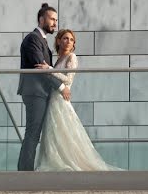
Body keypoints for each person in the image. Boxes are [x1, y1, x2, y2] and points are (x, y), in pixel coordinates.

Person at [35, 29, 121, 171]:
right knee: (54, 133)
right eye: (65, 38)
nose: (68, 41)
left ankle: (68, 161)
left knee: (65, 131)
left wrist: (49, 69)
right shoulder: (59, 59)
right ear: (58, 41)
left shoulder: (72, 57)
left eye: (71, 40)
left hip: (61, 99)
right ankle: (54, 160)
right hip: (53, 99)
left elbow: (68, 79)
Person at [17, 3, 70, 171]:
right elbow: (40, 69)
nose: (55, 23)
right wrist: (61, 87)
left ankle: (25, 170)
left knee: (34, 133)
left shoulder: (42, 41)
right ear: (41, 20)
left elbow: (46, 68)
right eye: (52, 19)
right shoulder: (33, 39)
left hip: (40, 93)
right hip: (35, 93)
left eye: (56, 20)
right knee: (32, 133)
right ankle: (25, 173)